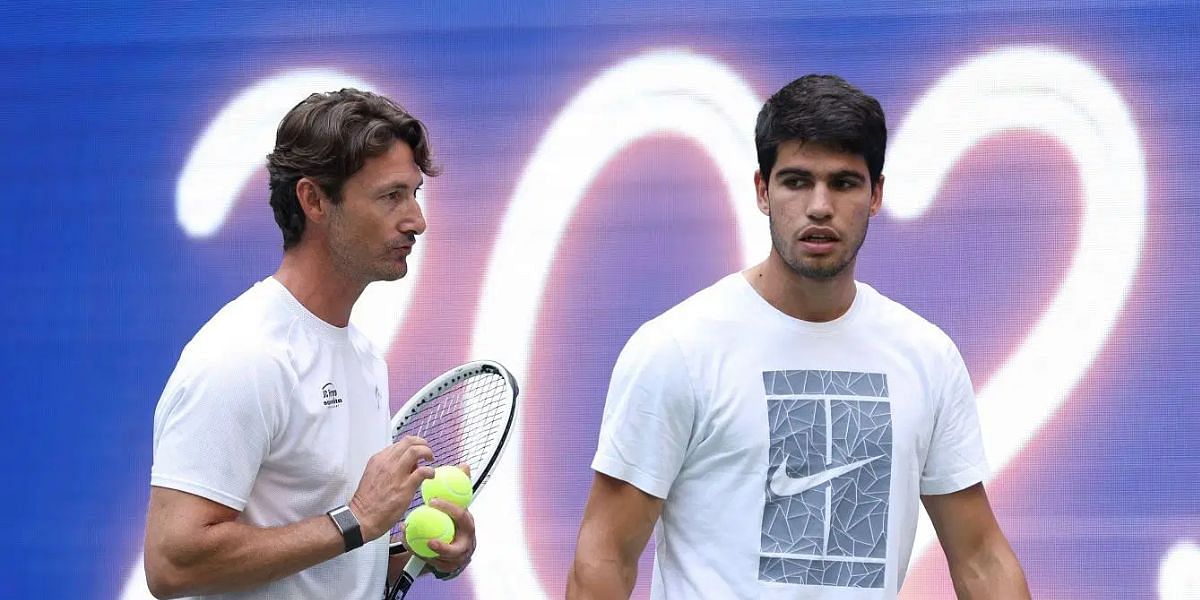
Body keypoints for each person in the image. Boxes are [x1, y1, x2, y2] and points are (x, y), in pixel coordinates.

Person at [568, 75, 1030, 599]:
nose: (819, 206)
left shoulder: (927, 357)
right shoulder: (677, 348)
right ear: (763, 191)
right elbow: (604, 555)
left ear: (876, 194)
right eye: (795, 181)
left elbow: (981, 558)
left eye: (844, 183)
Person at [144, 89, 475, 599]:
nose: (416, 220)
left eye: (416, 194)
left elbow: (330, 568)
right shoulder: (243, 356)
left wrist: (421, 553)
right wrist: (360, 517)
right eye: (391, 196)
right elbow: (172, 564)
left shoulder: (364, 359)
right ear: (314, 200)